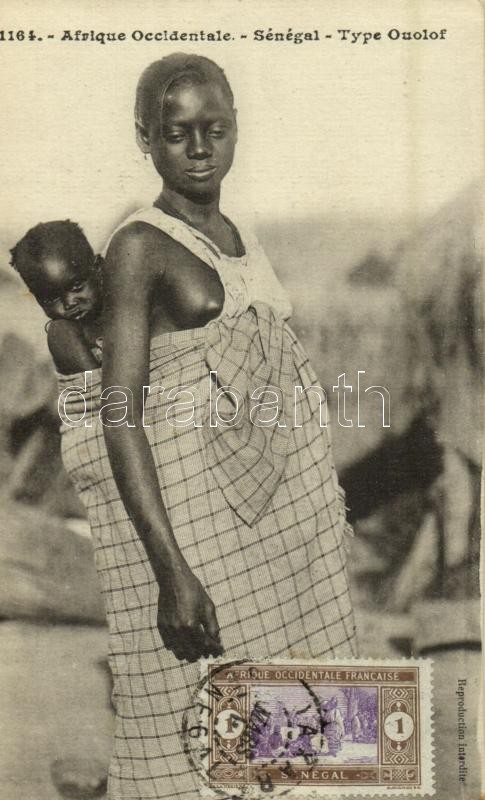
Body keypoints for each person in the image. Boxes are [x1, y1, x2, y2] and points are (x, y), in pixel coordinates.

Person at [56, 52, 357, 800]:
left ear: (235, 130)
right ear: (145, 139)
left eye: (213, 129)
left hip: (277, 531)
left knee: (295, 740)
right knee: (199, 737)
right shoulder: (138, 246)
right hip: (200, 533)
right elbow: (121, 413)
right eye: (176, 132)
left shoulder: (236, 234)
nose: (197, 148)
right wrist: (171, 573)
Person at [9, 220, 104, 373]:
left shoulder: (127, 305)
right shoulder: (64, 334)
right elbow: (99, 392)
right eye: (51, 298)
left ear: (99, 268)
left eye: (76, 287)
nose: (69, 304)